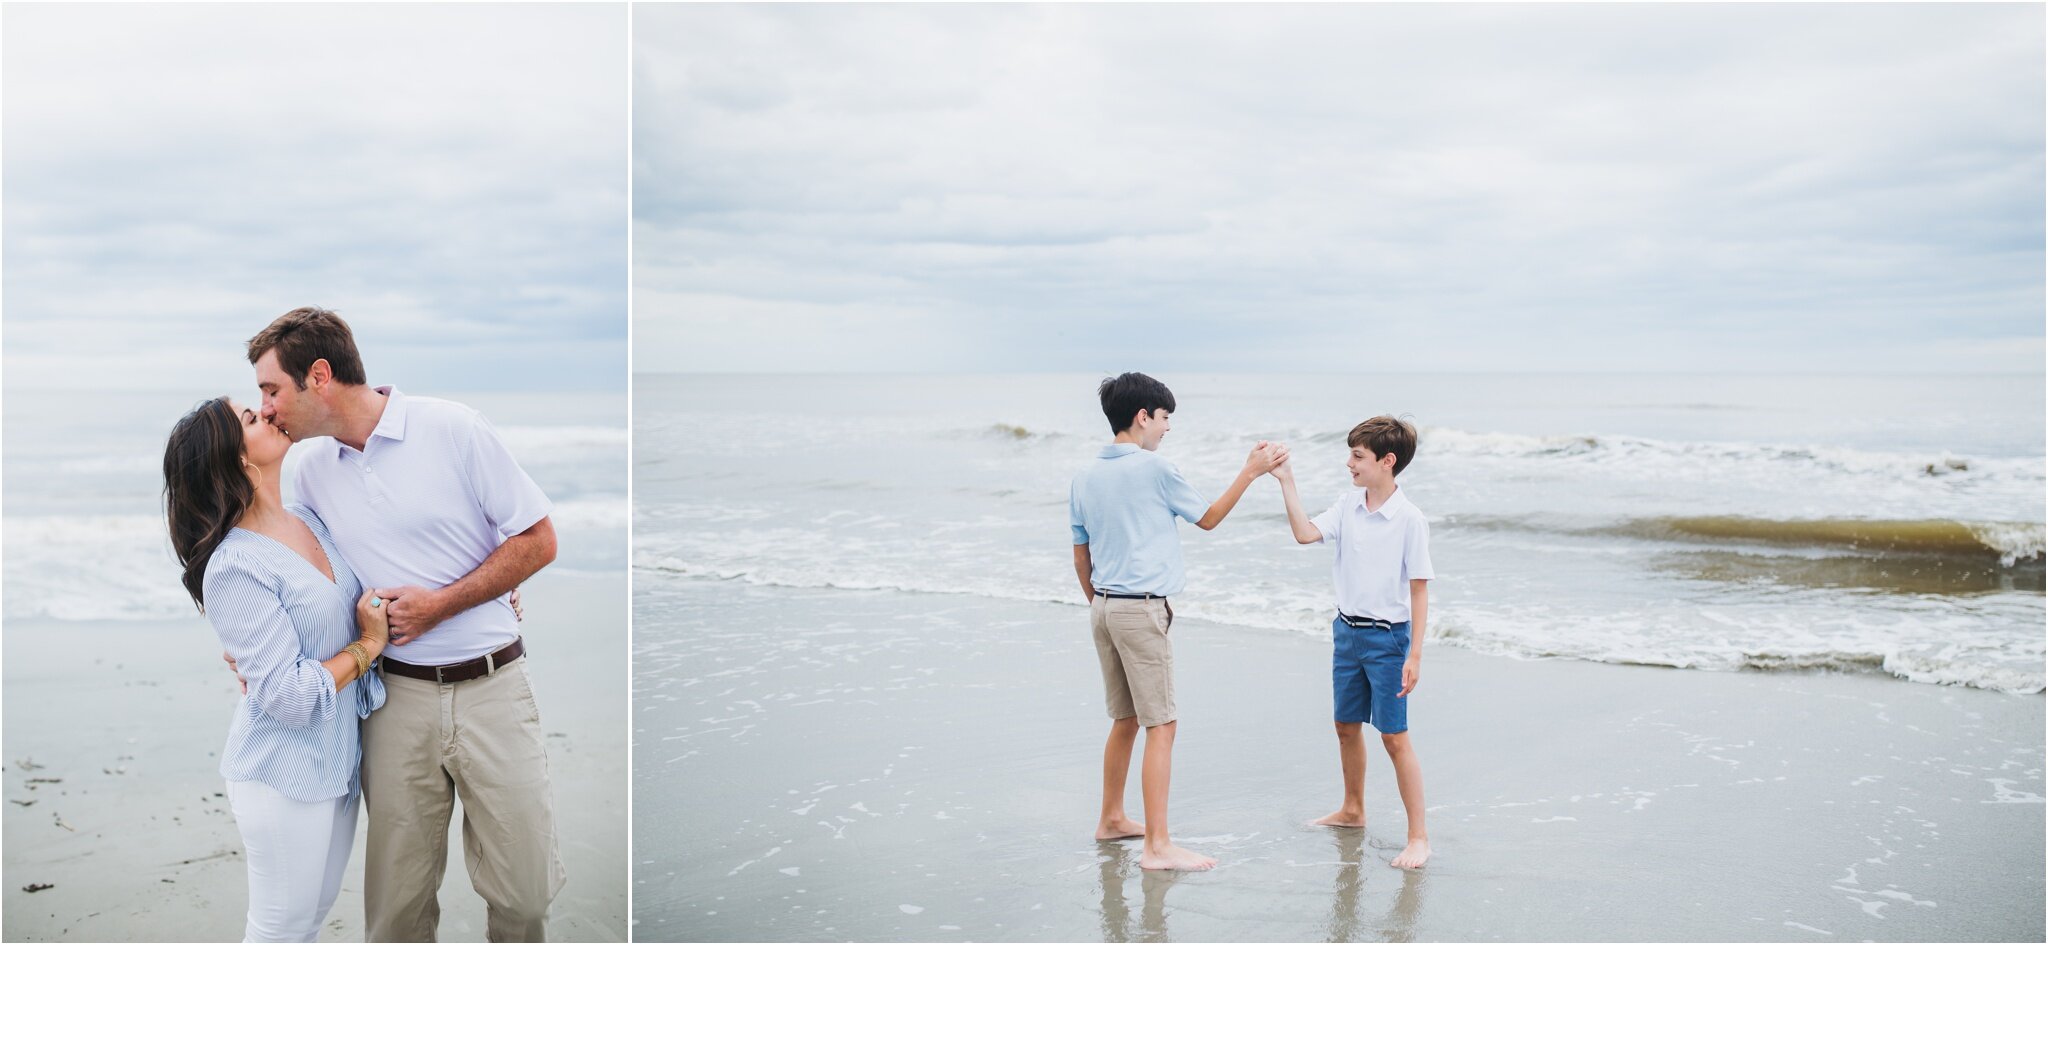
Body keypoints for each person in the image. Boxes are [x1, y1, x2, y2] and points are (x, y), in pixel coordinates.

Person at [247, 306, 564, 942]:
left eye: (271, 389)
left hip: (494, 688)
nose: (268, 407)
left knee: (525, 897)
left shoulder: (454, 429)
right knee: (396, 911)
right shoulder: (307, 471)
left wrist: (446, 602)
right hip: (391, 699)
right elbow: (292, 571)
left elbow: (538, 540)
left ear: (319, 375)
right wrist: (252, 644)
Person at [164, 397, 388, 942]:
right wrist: (367, 647)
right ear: (237, 460)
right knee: (278, 933)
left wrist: (493, 596)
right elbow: (285, 696)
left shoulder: (311, 521)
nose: (267, 412)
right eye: (249, 418)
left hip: (337, 761)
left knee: (309, 923)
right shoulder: (234, 565)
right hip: (281, 775)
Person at [1069, 372, 1287, 872]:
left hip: (1102, 606)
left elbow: (1081, 559)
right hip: (1141, 608)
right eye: (1165, 418)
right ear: (1143, 416)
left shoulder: (1084, 475)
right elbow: (1208, 519)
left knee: (1124, 721)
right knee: (1161, 725)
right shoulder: (1155, 469)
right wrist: (1250, 471)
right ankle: (1158, 845)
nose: (1167, 428)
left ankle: (1111, 818)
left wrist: (1102, 605)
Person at [1273, 415, 1434, 869]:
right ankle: (1353, 809)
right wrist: (1286, 479)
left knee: (1394, 738)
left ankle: (1419, 837)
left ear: (1388, 461)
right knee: (1345, 726)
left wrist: (1415, 654)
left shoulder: (1410, 519)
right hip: (1346, 633)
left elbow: (1420, 590)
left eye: (1358, 456)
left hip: (1388, 640)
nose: (1350, 463)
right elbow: (1305, 533)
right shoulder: (1349, 505)